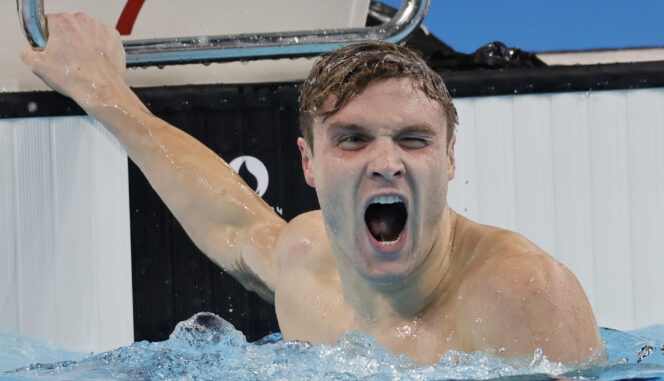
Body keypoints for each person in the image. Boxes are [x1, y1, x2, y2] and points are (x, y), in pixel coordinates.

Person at [22, 13, 601, 364]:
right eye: (351, 140)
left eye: (414, 140)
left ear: (450, 158)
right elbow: (235, 222)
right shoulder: (308, 265)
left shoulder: (525, 299)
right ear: (308, 162)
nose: (386, 163)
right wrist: (104, 92)